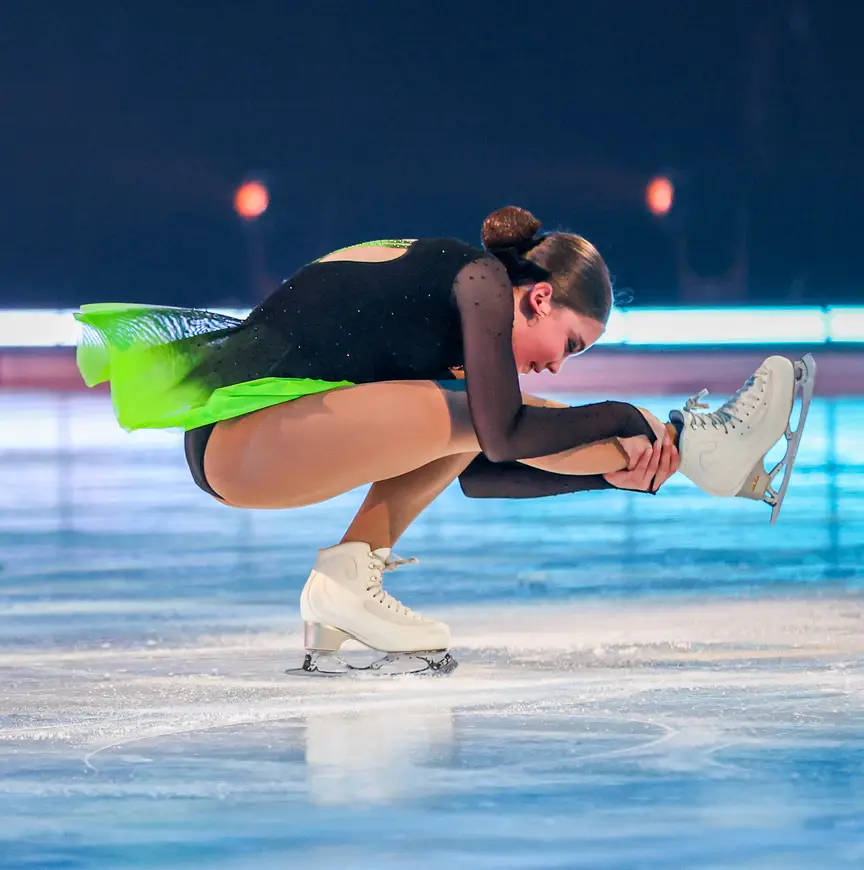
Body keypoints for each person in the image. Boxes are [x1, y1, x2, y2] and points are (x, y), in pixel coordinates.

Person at [75, 206, 814, 676]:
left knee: (473, 414)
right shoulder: (480, 281)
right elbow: (505, 433)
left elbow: (482, 468)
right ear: (540, 295)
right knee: (489, 409)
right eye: (572, 342)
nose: (560, 360)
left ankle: (345, 576)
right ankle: (697, 444)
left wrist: (606, 477)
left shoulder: (461, 307)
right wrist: (625, 417)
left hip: (255, 441)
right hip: (240, 440)